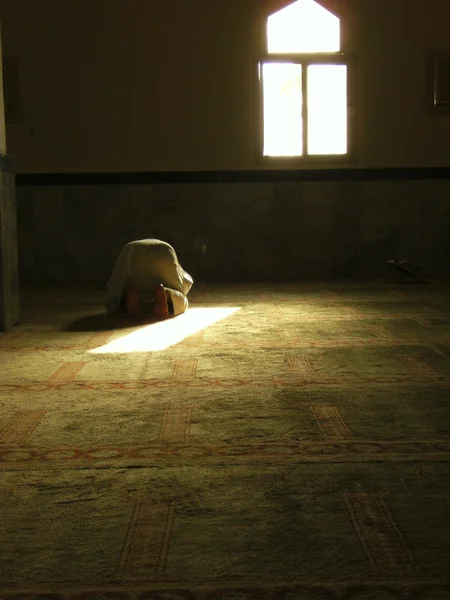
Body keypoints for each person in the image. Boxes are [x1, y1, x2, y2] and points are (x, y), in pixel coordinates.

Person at [105, 239, 193, 319]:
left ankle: (127, 295)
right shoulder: (165, 248)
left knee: (113, 299)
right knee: (182, 300)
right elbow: (186, 282)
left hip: (131, 255)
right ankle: (166, 294)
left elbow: (114, 283)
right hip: (165, 252)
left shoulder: (130, 247)